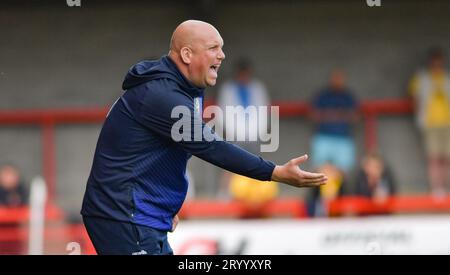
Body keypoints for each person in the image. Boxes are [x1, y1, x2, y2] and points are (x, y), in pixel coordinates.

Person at [81, 20, 327, 255]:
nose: (222, 55)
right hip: (121, 214)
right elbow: (210, 147)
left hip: (140, 213)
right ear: (187, 55)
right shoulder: (162, 96)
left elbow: (164, 150)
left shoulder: (187, 89)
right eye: (213, 48)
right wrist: (275, 172)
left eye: (222, 48)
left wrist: (166, 204)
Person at [409, 48, 450, 198]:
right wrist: (419, 116)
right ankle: (437, 190)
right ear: (430, 62)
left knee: (446, 158)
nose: (437, 65)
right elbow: (414, 98)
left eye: (439, 62)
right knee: (434, 158)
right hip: (430, 123)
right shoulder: (422, 78)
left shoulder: (447, 78)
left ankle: (446, 188)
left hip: (447, 123)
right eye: (435, 62)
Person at [310, 69, 359, 173]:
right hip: (323, 136)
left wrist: (332, 115)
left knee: (343, 171)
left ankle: (343, 190)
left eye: (340, 78)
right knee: (319, 170)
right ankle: (319, 190)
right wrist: (338, 115)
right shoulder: (323, 95)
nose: (338, 81)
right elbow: (312, 114)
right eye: (335, 78)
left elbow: (355, 116)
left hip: (343, 138)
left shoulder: (348, 96)